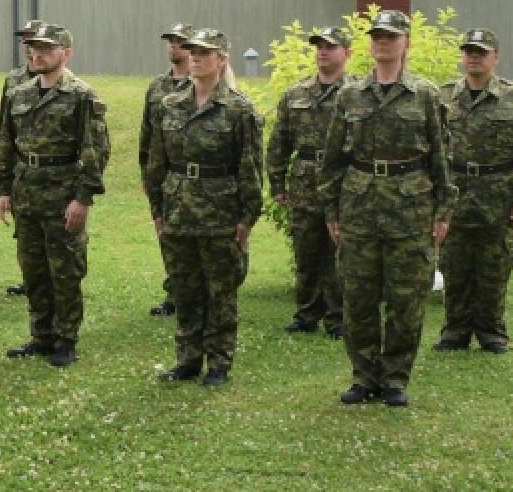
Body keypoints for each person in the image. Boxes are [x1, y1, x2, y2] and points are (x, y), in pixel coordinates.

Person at [318, 10, 455, 407]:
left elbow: (443, 156)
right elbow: (332, 160)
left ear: (405, 44)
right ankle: (363, 376)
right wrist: (332, 211)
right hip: (359, 206)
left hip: (411, 208)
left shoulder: (426, 94)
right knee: (357, 296)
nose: (383, 43)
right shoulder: (350, 95)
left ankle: (394, 378)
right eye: (377, 36)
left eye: (391, 37)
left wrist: (444, 210)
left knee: (406, 298)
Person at [145, 29, 262, 386]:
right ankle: (188, 358)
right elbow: (157, 162)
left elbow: (250, 168)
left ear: (222, 59)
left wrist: (246, 219)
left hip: (220, 211)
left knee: (220, 290)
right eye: (192, 52)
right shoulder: (170, 105)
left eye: (204, 53)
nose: (194, 57)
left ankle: (220, 362)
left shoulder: (239, 109)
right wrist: (157, 208)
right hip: (178, 208)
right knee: (185, 288)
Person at [0, 23, 109, 368]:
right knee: (33, 268)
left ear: (66, 53)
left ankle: (66, 338)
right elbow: (5, 143)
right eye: (33, 47)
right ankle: (41, 335)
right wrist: (3, 188)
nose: (37, 53)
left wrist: (83, 197)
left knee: (65, 269)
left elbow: (95, 151)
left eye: (46, 47)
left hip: (62, 194)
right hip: (26, 191)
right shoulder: (19, 94)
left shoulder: (82, 96)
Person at [435, 28, 513, 354]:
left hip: (498, 196)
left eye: (481, 52)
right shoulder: (443, 98)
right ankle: (455, 331)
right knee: (453, 264)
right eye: (469, 51)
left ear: (495, 58)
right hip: (456, 193)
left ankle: (491, 332)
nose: (474, 57)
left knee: (493, 265)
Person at [267, 26, 354, 338]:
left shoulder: (357, 94)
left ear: (348, 53)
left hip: (343, 181)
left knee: (339, 252)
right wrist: (277, 183)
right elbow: (279, 142)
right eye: (319, 46)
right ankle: (306, 313)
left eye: (331, 46)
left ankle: (338, 317)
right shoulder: (296, 94)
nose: (323, 51)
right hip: (304, 180)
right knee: (306, 251)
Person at [138, 23, 195, 316]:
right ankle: (174, 291)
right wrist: (146, 172)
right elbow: (147, 132)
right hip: (163, 172)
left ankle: (194, 293)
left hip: (193, 173)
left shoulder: (201, 83)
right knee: (166, 232)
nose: (174, 46)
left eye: (180, 42)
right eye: (171, 41)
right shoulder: (157, 87)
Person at [2, 20, 46, 296]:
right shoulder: (14, 80)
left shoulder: (63, 81)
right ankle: (29, 278)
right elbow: (4, 132)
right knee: (24, 230)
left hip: (52, 172)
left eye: (34, 40)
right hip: (22, 171)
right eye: (25, 41)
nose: (29, 46)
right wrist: (3, 182)